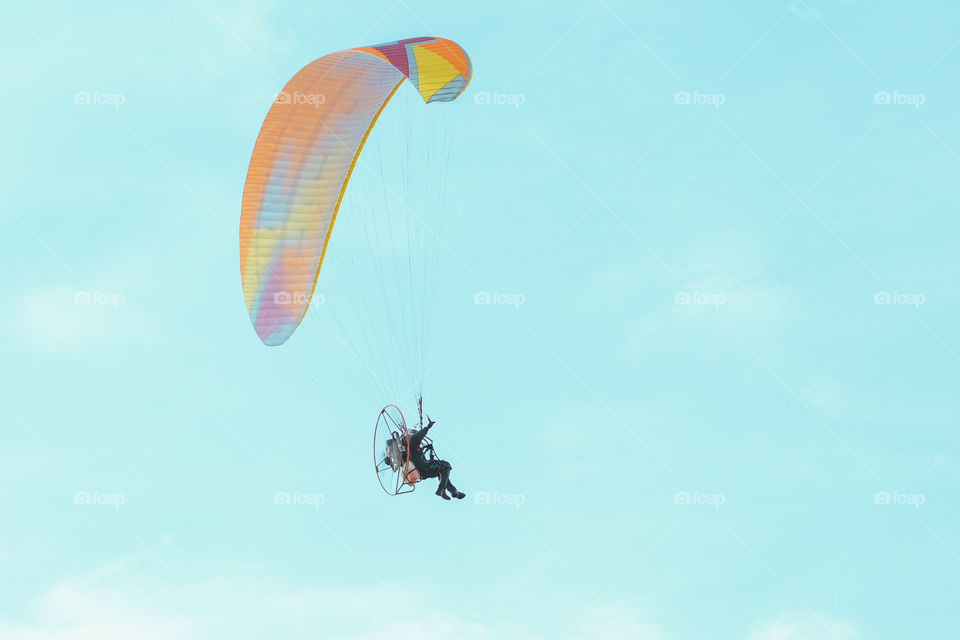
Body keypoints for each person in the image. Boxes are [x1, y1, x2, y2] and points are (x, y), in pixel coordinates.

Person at [408, 416, 465, 500]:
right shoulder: (412, 440)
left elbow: (427, 462)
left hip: (422, 473)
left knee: (440, 471)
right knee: (445, 465)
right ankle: (441, 490)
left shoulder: (413, 449)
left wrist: (430, 453)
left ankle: (453, 491)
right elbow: (418, 436)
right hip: (423, 468)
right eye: (414, 432)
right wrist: (428, 427)